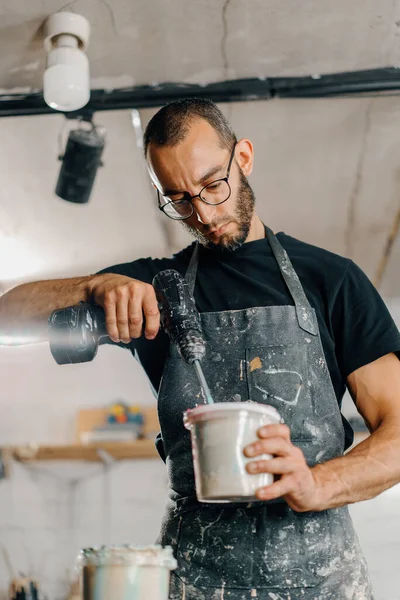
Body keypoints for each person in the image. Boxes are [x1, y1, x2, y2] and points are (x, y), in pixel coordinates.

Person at [1, 98, 400, 600]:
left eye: (214, 184)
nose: (205, 213)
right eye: (180, 199)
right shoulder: (155, 289)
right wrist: (94, 287)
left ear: (245, 157)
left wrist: (318, 484)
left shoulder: (331, 280)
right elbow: (6, 315)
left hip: (322, 575)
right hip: (195, 576)